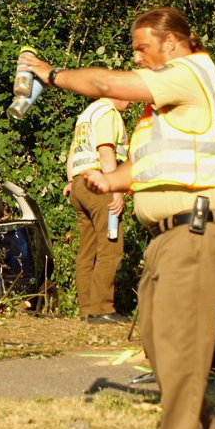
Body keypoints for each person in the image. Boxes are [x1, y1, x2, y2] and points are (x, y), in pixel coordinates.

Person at [18, 7, 215, 429]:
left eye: (142, 48)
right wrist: (106, 180)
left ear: (173, 43)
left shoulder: (189, 73)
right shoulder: (167, 107)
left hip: (197, 229)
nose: (136, 57)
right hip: (169, 234)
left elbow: (103, 85)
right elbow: (145, 172)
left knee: (181, 344)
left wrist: (48, 74)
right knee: (157, 341)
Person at [64, 97, 131, 324]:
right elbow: (105, 152)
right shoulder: (107, 113)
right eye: (127, 94)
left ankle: (87, 310)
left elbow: (74, 154)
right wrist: (116, 188)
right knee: (110, 247)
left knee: (88, 250)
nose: (131, 100)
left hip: (80, 185)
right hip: (99, 183)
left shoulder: (87, 114)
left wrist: (72, 181)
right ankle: (101, 309)